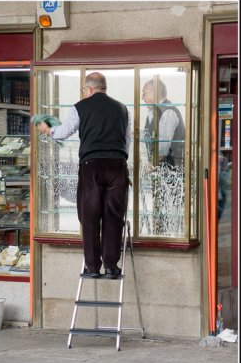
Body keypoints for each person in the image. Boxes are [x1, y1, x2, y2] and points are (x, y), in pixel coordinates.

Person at [36, 72, 131, 279]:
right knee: (113, 217)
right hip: (117, 165)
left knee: (89, 216)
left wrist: (47, 130)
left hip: (91, 165)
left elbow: (64, 132)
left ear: (88, 89)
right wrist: (120, 161)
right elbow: (127, 140)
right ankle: (112, 267)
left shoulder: (80, 106)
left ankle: (92, 267)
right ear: (103, 88)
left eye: (83, 90)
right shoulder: (123, 109)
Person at [142, 79, 185, 167]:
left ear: (154, 92)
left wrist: (149, 167)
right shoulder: (153, 112)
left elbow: (162, 150)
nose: (142, 97)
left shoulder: (168, 112)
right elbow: (152, 135)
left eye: (144, 93)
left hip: (171, 171)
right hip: (160, 170)